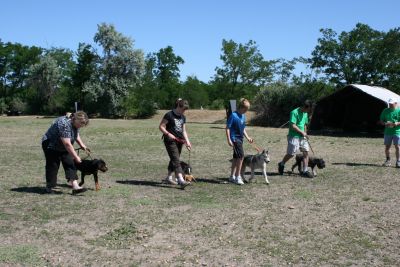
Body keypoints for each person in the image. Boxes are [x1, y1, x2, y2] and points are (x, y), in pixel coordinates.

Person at [41, 111, 90, 193]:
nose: (80, 127)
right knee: (53, 165)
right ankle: (49, 187)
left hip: (63, 145)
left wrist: (82, 144)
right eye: (80, 125)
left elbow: (75, 133)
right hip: (50, 144)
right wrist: (76, 157)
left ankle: (75, 186)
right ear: (75, 120)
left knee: (70, 163)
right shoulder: (64, 124)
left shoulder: (75, 123)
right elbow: (67, 144)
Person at [159, 99, 192, 188]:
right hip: (170, 141)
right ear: (178, 106)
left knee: (174, 159)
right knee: (176, 159)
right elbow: (161, 126)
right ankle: (181, 180)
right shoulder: (169, 115)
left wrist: (187, 141)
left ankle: (169, 178)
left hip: (179, 141)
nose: (184, 111)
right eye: (183, 109)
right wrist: (168, 134)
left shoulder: (183, 117)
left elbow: (184, 131)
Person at [278, 100, 314, 178]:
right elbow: (293, 126)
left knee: (306, 152)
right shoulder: (294, 112)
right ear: (305, 107)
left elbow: (304, 124)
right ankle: (282, 163)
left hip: (302, 136)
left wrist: (305, 133)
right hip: (293, 136)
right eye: (308, 110)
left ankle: (305, 171)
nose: (308, 112)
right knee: (291, 154)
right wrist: (302, 132)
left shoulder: (305, 113)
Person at [226, 98, 254, 185]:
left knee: (235, 158)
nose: (246, 111)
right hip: (235, 139)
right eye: (245, 109)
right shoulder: (233, 115)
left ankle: (232, 177)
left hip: (240, 139)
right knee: (241, 157)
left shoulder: (243, 116)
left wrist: (248, 137)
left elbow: (243, 128)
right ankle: (238, 177)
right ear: (241, 107)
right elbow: (227, 128)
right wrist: (229, 139)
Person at [379, 98, 400, 167]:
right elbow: (381, 121)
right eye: (389, 103)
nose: (390, 105)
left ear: (396, 103)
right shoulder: (385, 110)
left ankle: (398, 161)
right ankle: (388, 161)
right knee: (387, 147)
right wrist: (385, 123)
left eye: (392, 104)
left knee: (397, 147)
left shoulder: (399, 110)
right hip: (387, 132)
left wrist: (397, 123)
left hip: (397, 132)